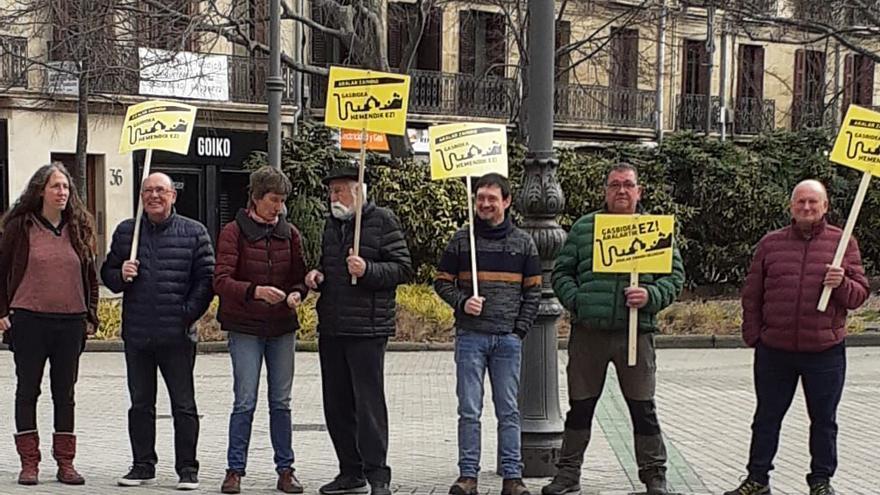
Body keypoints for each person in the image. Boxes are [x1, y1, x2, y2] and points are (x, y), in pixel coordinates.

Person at [544, 163, 684, 495]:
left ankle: (654, 476)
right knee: (581, 405)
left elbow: (675, 277)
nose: (621, 191)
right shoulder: (584, 229)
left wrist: (650, 295)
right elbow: (561, 273)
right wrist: (578, 301)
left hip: (636, 334)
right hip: (588, 334)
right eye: (614, 185)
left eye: (627, 185)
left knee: (642, 406)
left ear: (639, 191)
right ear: (605, 191)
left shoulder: (654, 230)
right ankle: (567, 474)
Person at [724, 180, 869, 495]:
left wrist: (842, 283)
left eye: (813, 203)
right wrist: (755, 337)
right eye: (801, 202)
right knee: (766, 418)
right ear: (791, 206)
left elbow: (859, 296)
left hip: (825, 350)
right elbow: (752, 294)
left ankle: (820, 480)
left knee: (824, 421)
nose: (806, 208)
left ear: (825, 207)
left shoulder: (844, 243)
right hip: (775, 350)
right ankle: (757, 479)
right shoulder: (771, 244)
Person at [101, 172, 214, 491]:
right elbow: (107, 273)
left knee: (183, 404)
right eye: (148, 191)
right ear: (141, 197)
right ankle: (142, 465)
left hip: (177, 336)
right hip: (137, 334)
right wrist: (120, 274)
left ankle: (187, 469)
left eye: (160, 191)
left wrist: (186, 315)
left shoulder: (194, 233)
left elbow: (206, 281)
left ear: (173, 196)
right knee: (140, 403)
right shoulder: (127, 232)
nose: (154, 196)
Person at [305, 164, 412, 495]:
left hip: (367, 328)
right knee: (336, 404)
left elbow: (402, 268)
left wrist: (368, 269)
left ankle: (378, 474)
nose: (333, 196)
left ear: (358, 192)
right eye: (331, 191)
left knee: (368, 404)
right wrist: (318, 276)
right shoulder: (331, 226)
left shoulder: (382, 221)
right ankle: (350, 471)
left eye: (339, 190)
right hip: (334, 326)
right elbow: (330, 267)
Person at [433, 173, 541, 495]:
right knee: (469, 409)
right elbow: (441, 281)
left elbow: (534, 291)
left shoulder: (523, 242)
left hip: (507, 338)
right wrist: (463, 303)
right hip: (471, 337)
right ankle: (468, 476)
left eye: (492, 198)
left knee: (508, 410)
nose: (485, 204)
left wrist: (519, 329)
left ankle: (512, 476)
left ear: (506, 202)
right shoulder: (462, 239)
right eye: (480, 198)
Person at [0, 163, 98, 486]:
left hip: (70, 322)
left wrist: (91, 315)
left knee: (65, 393)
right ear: (41, 190)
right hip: (28, 319)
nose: (62, 193)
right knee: (28, 389)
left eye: (66, 188)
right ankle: (29, 463)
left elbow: (90, 278)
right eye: (56, 187)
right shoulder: (19, 226)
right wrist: (2, 311)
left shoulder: (79, 227)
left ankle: (65, 462)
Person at [214, 166, 308, 494]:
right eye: (272, 200)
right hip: (245, 327)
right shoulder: (233, 232)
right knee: (245, 399)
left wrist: (298, 292)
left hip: (282, 326)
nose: (278, 207)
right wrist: (255, 291)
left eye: (282, 201)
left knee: (281, 400)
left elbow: (300, 275)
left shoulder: (290, 233)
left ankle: (286, 469)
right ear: (255, 198)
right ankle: (234, 470)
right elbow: (221, 280)